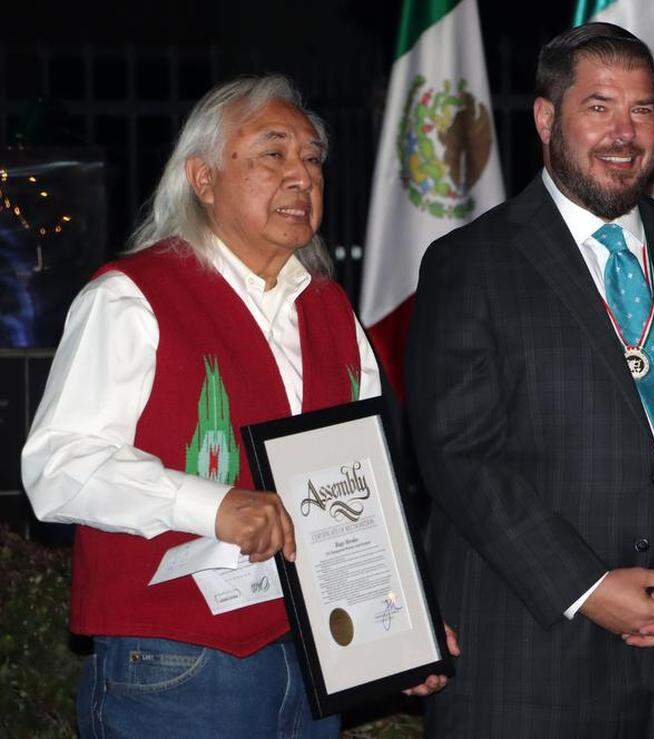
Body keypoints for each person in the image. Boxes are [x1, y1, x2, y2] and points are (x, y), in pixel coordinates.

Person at [21, 74, 452, 738]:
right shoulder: (132, 295)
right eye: (272, 153)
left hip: (315, 663)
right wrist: (211, 505)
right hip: (179, 663)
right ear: (203, 178)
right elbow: (57, 469)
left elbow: (361, 495)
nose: (301, 174)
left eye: (311, 157)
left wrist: (399, 629)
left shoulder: (333, 310)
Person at [405, 22, 654, 739]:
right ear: (547, 118)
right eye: (600, 106)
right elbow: (458, 454)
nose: (625, 132)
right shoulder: (471, 263)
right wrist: (586, 587)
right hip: (527, 666)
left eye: (642, 109)